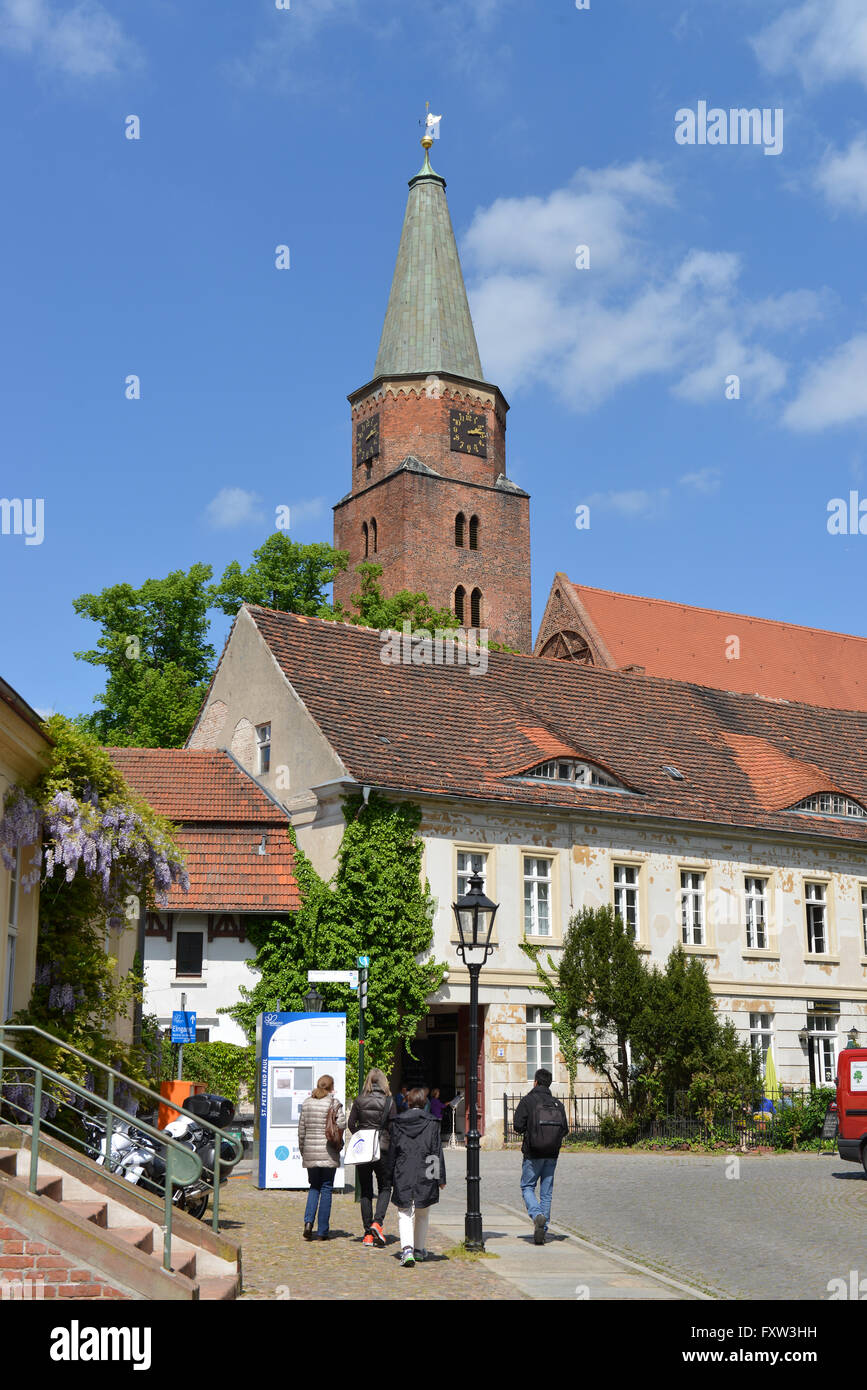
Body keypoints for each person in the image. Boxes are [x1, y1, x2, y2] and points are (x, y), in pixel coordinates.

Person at [386, 1086, 446, 1267]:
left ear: (409, 1101)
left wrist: (388, 1177)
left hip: (403, 1170)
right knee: (422, 1212)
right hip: (425, 1170)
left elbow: (392, 1152)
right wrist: (440, 1178)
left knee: (405, 1212)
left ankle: (407, 1250)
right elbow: (436, 1152)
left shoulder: (397, 1122)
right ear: (424, 1102)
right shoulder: (432, 1123)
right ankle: (419, 1249)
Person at [512, 1068, 568, 1245]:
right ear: (549, 1083)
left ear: (535, 1082)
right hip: (552, 1154)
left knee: (527, 1186)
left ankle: (537, 1215)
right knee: (546, 1192)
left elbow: (518, 1126)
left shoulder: (528, 1100)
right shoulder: (558, 1104)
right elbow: (564, 1130)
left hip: (533, 1152)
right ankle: (542, 1230)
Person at [346, 1068, 397, 1248]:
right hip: (382, 1148)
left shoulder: (359, 1100)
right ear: (384, 1082)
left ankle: (367, 1233)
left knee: (366, 1191)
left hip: (364, 1150)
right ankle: (378, 1222)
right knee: (385, 1186)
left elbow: (351, 1124)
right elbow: (393, 1127)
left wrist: (360, 1136)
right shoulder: (389, 1101)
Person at [297, 1074, 346, 1241]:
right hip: (328, 1152)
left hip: (310, 1152)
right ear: (331, 1088)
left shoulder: (307, 1103)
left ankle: (308, 1222)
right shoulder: (334, 1103)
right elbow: (342, 1125)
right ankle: (322, 1231)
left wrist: (303, 1150)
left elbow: (301, 1130)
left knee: (314, 1187)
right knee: (326, 1187)